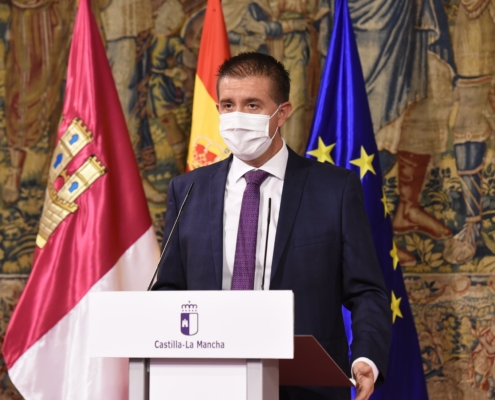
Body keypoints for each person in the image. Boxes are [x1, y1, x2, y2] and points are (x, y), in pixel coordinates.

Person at [152, 52, 391, 400]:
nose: (237, 117)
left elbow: (366, 290)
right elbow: (169, 289)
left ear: (282, 113)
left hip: (306, 387)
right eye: (227, 105)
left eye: (252, 105)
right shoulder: (187, 189)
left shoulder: (334, 190)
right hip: (208, 383)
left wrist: (366, 355)